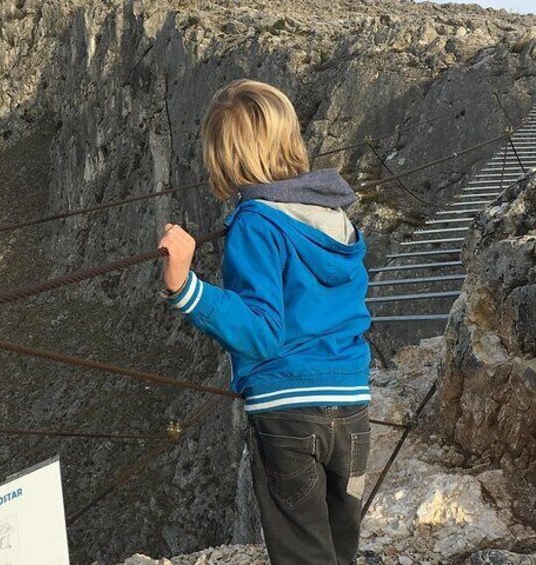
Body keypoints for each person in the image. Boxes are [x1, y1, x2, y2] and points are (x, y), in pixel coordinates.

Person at [157, 79, 372, 565]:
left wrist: (185, 288)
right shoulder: (339, 219)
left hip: (289, 414)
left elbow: (260, 331)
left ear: (225, 160)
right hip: (354, 408)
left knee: (302, 550)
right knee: (341, 546)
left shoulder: (255, 223)